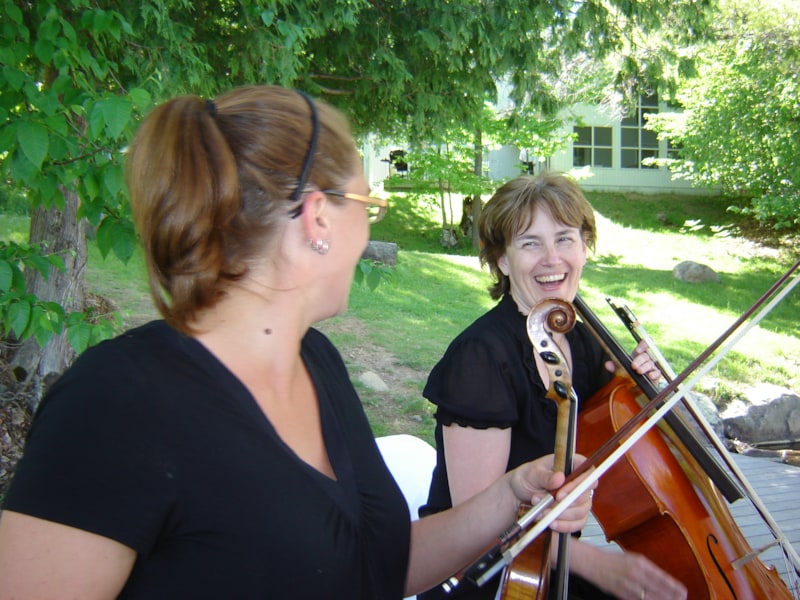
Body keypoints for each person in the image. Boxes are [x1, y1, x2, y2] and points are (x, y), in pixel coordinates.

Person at [0, 86, 595, 599]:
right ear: (318, 220)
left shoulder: (316, 362)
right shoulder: (118, 403)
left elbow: (380, 567)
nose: (369, 230)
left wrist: (511, 495)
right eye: (370, 205)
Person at [418, 173, 688, 600]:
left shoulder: (586, 343)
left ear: (584, 247)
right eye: (530, 243)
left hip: (552, 565)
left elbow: (640, 468)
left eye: (564, 239)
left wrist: (638, 389)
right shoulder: (481, 357)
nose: (551, 259)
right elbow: (477, 525)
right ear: (503, 261)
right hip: (485, 575)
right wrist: (599, 565)